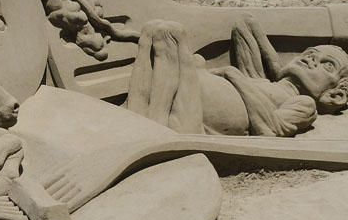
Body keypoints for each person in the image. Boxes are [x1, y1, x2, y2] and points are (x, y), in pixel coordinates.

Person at [128, 17, 348, 137]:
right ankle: (136, 114)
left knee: (170, 33)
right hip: (182, 100)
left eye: (327, 65)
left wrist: (232, 75)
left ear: (335, 95)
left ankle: (151, 131)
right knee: (153, 28)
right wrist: (277, 67)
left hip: (190, 122)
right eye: (310, 54)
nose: (311, 60)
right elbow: (244, 24)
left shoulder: (304, 103)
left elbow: (272, 128)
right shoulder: (260, 81)